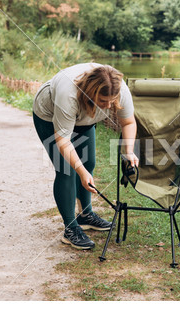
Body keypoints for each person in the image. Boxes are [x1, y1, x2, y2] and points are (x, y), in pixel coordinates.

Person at [32, 63, 139, 250]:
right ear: (90, 92)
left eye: (111, 101)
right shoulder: (69, 94)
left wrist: (129, 151)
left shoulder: (121, 91)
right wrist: (80, 171)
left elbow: (128, 122)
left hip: (84, 118)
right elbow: (63, 140)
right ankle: (70, 228)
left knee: (89, 162)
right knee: (67, 169)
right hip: (49, 116)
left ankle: (85, 216)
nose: (108, 106)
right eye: (103, 100)